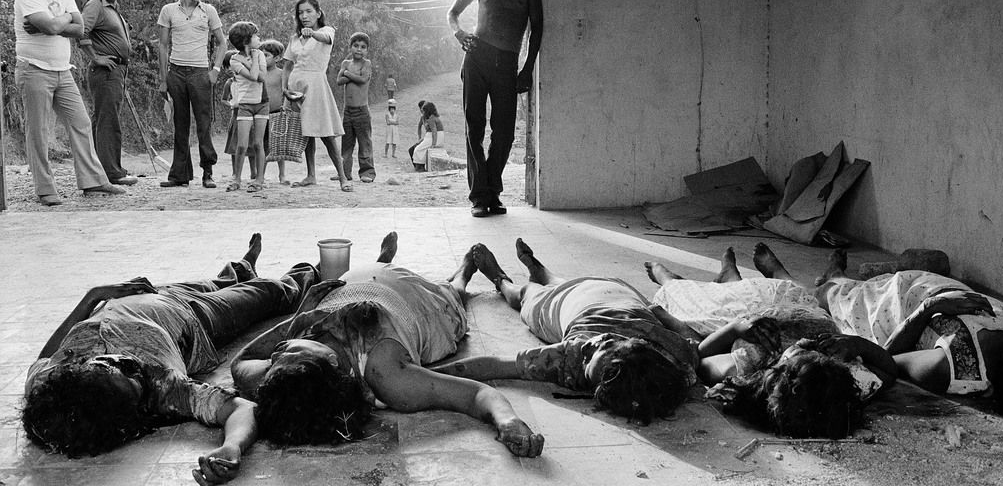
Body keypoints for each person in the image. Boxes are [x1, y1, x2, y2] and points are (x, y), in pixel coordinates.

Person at [21, 233, 319, 485]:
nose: (125, 362)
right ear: (136, 406)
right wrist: (232, 447)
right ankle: (314, 273)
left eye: (108, 363)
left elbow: (47, 355)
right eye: (132, 375)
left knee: (220, 279)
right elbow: (240, 408)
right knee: (269, 292)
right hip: (198, 317)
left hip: (146, 294)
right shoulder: (166, 388)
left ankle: (242, 267)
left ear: (76, 372)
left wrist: (92, 297)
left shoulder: (51, 381)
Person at [229, 232, 545, 458]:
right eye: (291, 351)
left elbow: (242, 361)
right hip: (422, 304)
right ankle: (465, 272)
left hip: (361, 281)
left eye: (278, 356)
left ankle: (383, 261)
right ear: (332, 363)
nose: (279, 349)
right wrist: (508, 421)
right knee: (451, 295)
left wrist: (298, 319)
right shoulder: (387, 375)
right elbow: (478, 394)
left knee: (367, 274)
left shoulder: (279, 379)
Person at [433, 239, 700, 425]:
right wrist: (663, 315)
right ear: (635, 346)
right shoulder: (676, 358)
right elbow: (693, 342)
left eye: (588, 358)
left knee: (525, 295)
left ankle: (501, 280)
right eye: (603, 345)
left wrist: (427, 377)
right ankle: (540, 271)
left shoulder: (571, 359)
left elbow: (494, 366)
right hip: (615, 289)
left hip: (569, 303)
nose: (590, 345)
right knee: (563, 282)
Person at [646, 244, 897, 438]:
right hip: (798, 304)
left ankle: (669, 277)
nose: (806, 346)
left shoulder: (749, 366)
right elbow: (889, 370)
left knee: (692, 305)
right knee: (798, 290)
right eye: (822, 357)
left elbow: (700, 357)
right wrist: (856, 344)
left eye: (798, 355)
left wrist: (736, 328)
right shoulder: (846, 384)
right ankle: (773, 272)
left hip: (746, 316)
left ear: (777, 372)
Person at [814, 249, 1003, 418]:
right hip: (922, 283)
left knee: (827, 294)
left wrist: (930, 308)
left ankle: (824, 275)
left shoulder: (952, 367)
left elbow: (888, 360)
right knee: (850, 287)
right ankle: (838, 275)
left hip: (893, 307)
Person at [13, 0, 126, 205]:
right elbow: (56, 27)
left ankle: (93, 182)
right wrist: (59, 22)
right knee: (39, 130)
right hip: (34, 70)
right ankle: (45, 189)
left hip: (63, 70)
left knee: (81, 122)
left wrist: (56, 21)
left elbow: (79, 28)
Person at [447, 0, 543, 218]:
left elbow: (537, 27)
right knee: (473, 127)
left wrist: (527, 69)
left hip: (507, 63)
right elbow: (453, 13)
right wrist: (458, 33)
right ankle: (481, 196)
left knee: (503, 133)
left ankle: (492, 189)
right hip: (476, 59)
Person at [156, 0, 225, 189]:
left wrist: (215, 70)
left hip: (200, 73)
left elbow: (222, 43)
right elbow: (163, 46)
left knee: (204, 123)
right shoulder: (168, 10)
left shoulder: (208, 11)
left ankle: (208, 172)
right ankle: (179, 175)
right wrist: (163, 78)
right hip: (176, 71)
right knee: (180, 123)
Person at [281, 0, 351, 192]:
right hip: (296, 87)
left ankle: (343, 178)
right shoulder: (295, 38)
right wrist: (284, 87)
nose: (304, 16)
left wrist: (312, 33)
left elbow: (326, 39)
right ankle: (311, 175)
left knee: (326, 134)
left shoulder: (326, 31)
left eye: (309, 11)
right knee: (306, 132)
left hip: (315, 85)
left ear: (318, 13)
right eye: (300, 12)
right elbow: (287, 65)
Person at [78, 0, 138, 186]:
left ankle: (105, 170)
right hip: (106, 70)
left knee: (105, 119)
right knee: (107, 120)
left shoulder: (112, 8)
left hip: (117, 71)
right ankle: (112, 173)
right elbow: (80, 32)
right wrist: (96, 57)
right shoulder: (95, 5)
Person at [225, 22, 268, 193]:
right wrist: (254, 61)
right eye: (256, 36)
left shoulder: (260, 55)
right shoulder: (234, 60)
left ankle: (259, 179)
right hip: (244, 104)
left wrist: (254, 58)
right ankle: (236, 178)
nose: (259, 39)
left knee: (258, 143)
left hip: (262, 103)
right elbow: (252, 76)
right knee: (242, 145)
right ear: (246, 40)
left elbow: (262, 78)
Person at [335, 31, 375, 183]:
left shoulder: (367, 64)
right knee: (347, 143)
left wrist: (347, 74)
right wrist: (348, 73)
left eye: (363, 47)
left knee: (365, 143)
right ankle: (344, 173)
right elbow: (339, 81)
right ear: (350, 47)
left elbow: (363, 79)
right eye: (356, 46)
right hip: (348, 111)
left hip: (361, 111)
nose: (359, 49)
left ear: (367, 50)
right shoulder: (346, 63)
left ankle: (368, 172)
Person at [259, 39, 288, 185]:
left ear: (277, 58)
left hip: (277, 112)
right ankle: (261, 175)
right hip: (262, 113)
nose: (262, 58)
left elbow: (285, 92)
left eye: (266, 55)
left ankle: (282, 175)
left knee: (279, 144)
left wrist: (285, 107)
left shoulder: (281, 74)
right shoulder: (258, 73)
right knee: (263, 144)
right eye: (261, 55)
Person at [408, 101, 443, 172]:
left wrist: (433, 144)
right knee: (417, 149)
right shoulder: (432, 117)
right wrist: (420, 137)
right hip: (432, 136)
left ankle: (420, 167)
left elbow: (434, 131)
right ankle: (419, 166)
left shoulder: (431, 119)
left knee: (418, 149)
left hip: (432, 137)